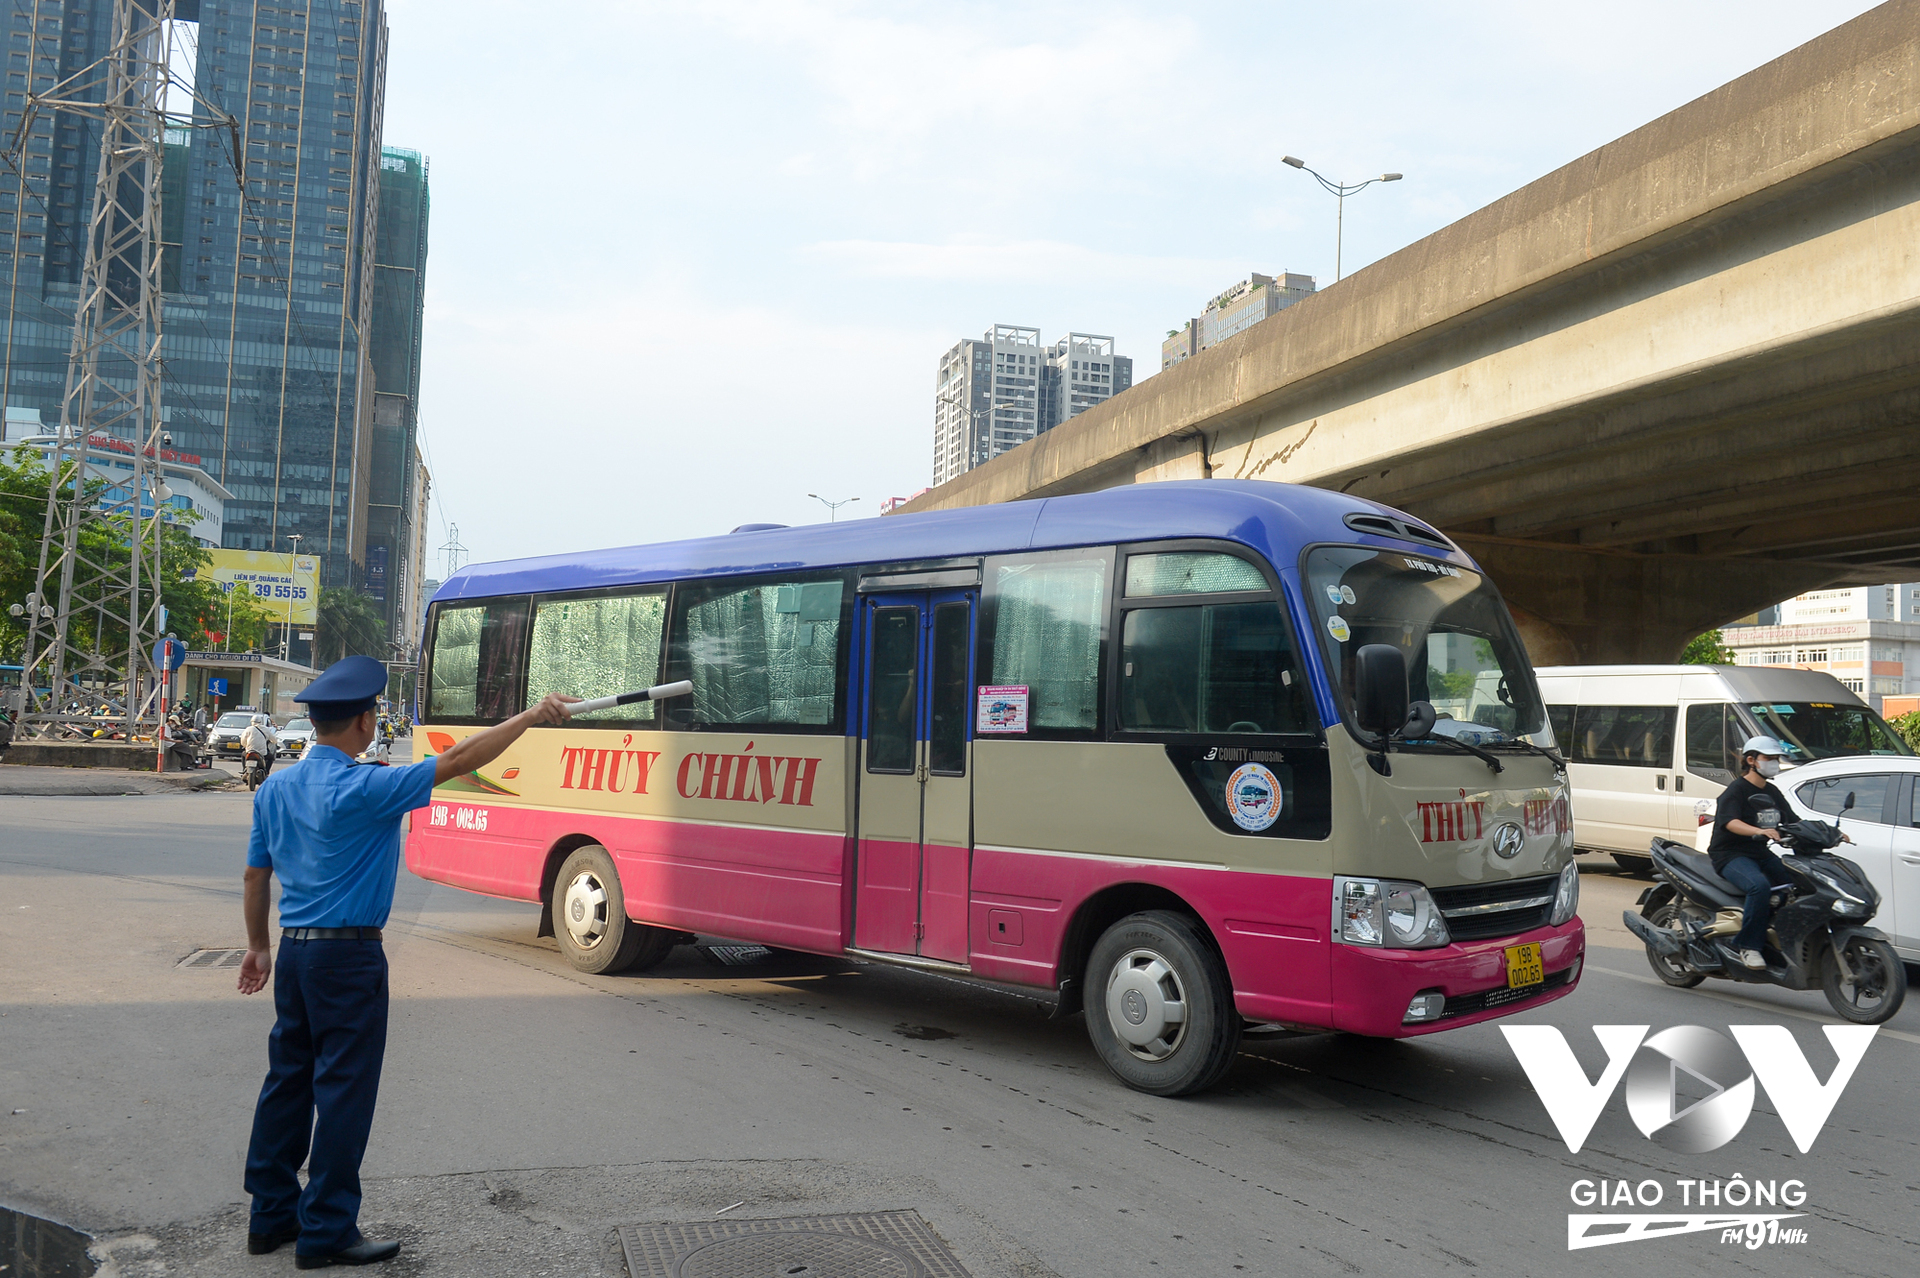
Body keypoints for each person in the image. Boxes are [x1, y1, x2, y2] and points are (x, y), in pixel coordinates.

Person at [236, 655, 578, 1268]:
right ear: (365, 722)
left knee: (287, 1080)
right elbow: (460, 760)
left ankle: (270, 1217)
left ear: (315, 723)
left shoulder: (277, 787)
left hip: (293, 954)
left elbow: (255, 875)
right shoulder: (366, 788)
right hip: (350, 958)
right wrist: (532, 715)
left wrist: (258, 946)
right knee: (342, 1091)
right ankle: (327, 1231)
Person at [1707, 734, 1798, 970]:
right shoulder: (1736, 790)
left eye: (1776, 758)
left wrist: (1827, 833)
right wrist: (1760, 830)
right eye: (1769, 758)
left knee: (1797, 882)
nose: (1774, 763)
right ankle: (1748, 946)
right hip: (1730, 854)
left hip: (1760, 853)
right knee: (1759, 886)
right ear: (1751, 760)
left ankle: (1775, 939)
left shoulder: (1773, 792)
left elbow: (1793, 821)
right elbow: (1729, 822)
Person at [241, 713, 278, 781]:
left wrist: (246, 746)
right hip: (262, 753)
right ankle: (266, 772)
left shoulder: (248, 729)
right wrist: (273, 742)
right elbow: (274, 740)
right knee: (271, 758)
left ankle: (244, 770)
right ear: (261, 722)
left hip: (250, 751)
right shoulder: (266, 729)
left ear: (251, 722)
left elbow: (243, 741)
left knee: (243, 755)